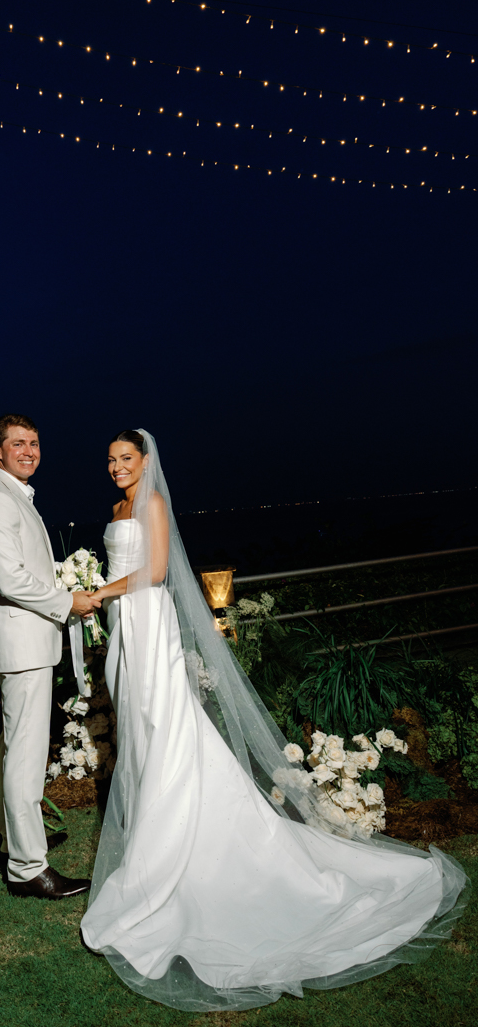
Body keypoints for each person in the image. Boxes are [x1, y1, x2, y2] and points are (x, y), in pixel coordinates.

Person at [80, 428, 468, 1012]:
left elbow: (156, 571)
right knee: (139, 734)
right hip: (123, 630)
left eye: (126, 458)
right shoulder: (115, 509)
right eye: (111, 460)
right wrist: (104, 599)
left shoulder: (152, 502)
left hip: (148, 621)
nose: (116, 467)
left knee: (164, 728)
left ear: (146, 460)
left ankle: (175, 844)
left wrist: (98, 593)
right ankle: (154, 835)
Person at [0, 413, 96, 899]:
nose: (28, 451)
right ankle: (27, 869)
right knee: (24, 755)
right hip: (20, 648)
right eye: (18, 443)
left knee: (15, 750)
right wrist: (68, 601)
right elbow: (10, 581)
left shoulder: (14, 495)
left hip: (27, 643)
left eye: (35, 443)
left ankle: (16, 842)